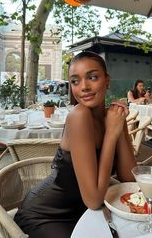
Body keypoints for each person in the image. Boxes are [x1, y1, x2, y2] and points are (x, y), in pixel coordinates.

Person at [14, 51, 136, 238]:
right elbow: (94, 200)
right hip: (45, 214)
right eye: (75, 81)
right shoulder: (79, 116)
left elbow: (129, 179)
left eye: (92, 77)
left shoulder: (112, 117)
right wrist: (111, 134)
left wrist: (120, 126)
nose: (84, 87)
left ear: (107, 80)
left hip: (83, 212)